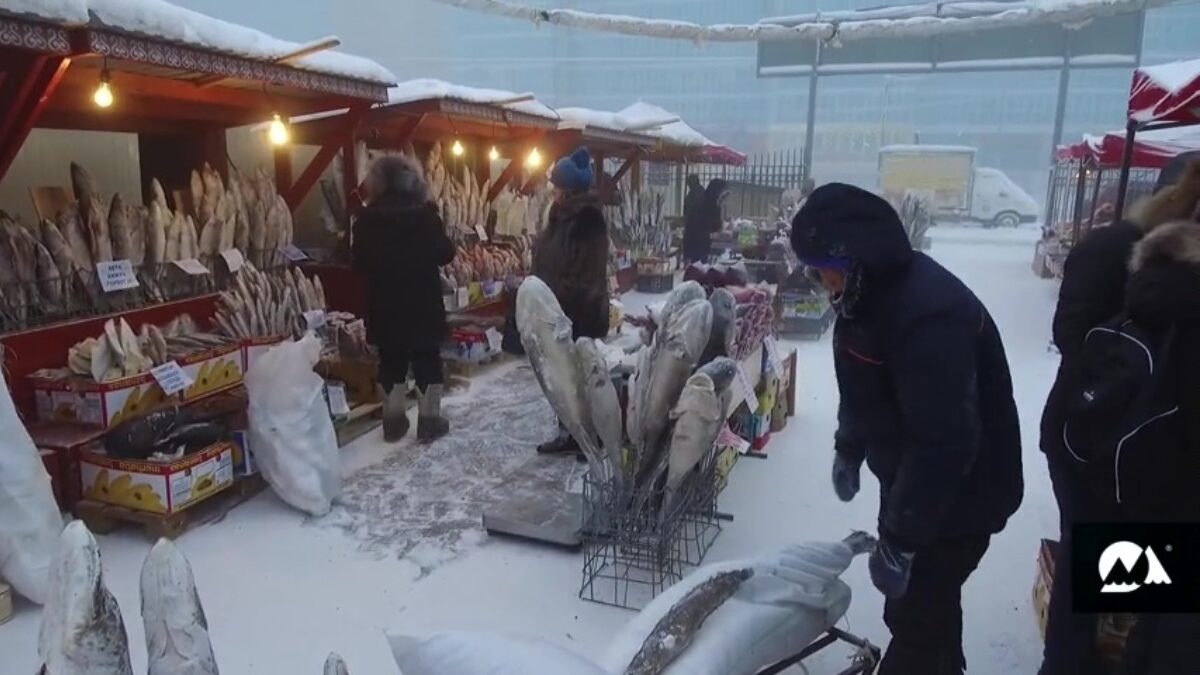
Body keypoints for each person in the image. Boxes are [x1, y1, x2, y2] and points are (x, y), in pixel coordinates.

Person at [790, 183, 1023, 675]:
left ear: (858, 257)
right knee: (924, 609)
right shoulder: (862, 298)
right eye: (814, 269)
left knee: (917, 614)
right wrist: (849, 446)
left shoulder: (929, 315)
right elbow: (862, 387)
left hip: (963, 492)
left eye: (826, 266)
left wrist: (899, 540)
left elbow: (945, 443)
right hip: (914, 484)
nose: (821, 280)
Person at [1037, 162, 1200, 675]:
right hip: (1099, 436)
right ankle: (1072, 660)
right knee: (1101, 568)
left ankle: (1085, 657)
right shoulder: (1120, 251)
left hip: (1122, 443)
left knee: (1120, 574)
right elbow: (1070, 334)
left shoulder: (1154, 257)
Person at [352, 156, 455, 444]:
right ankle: (429, 420)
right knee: (427, 359)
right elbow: (446, 254)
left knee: (390, 360)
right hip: (423, 303)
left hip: (385, 305)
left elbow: (358, 263)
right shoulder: (426, 216)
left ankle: (393, 421)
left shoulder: (366, 220)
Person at [531, 147, 611, 456]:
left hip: (580, 314)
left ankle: (589, 435)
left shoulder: (588, 221)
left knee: (581, 378)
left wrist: (555, 295)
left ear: (569, 190)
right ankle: (569, 432)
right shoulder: (558, 217)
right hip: (556, 312)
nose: (552, 191)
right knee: (562, 378)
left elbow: (587, 276)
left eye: (556, 186)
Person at [681, 174, 709, 263]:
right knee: (701, 261)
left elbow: (686, 213)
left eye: (689, 184)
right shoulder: (705, 194)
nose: (688, 186)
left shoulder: (691, 196)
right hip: (702, 233)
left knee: (693, 260)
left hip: (694, 232)